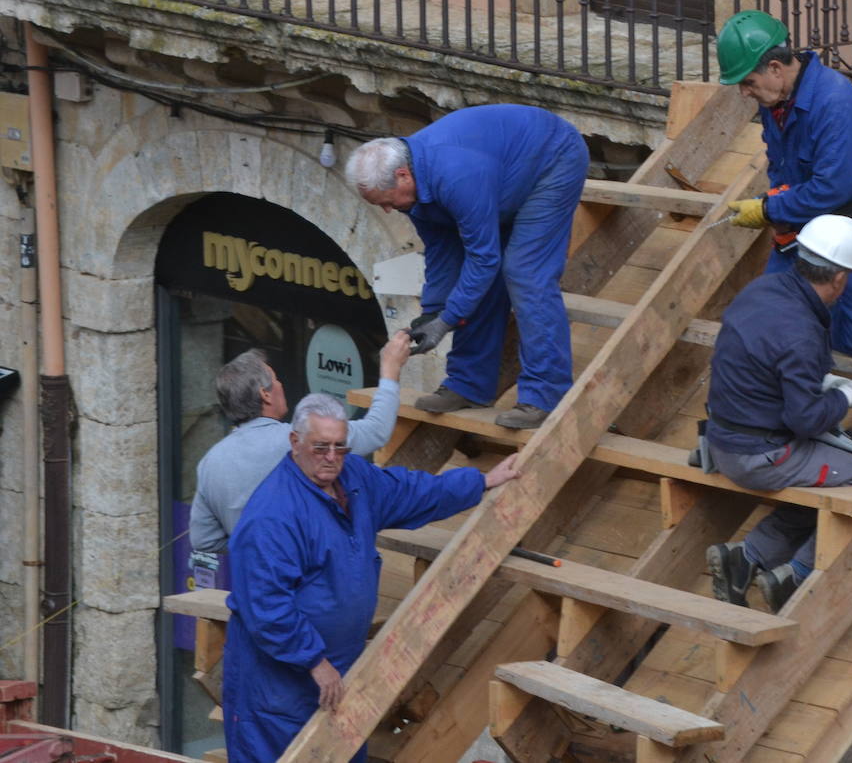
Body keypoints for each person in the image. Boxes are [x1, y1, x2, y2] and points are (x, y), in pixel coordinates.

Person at [221, 394, 520, 763]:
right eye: (321, 447)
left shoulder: (353, 477)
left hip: (339, 671)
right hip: (278, 687)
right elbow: (266, 606)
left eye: (340, 446)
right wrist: (315, 661)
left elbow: (409, 492)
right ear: (295, 443)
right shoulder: (272, 514)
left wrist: (480, 482)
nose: (332, 457)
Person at [346, 105, 590, 429]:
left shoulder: (455, 175)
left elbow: (484, 259)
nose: (389, 211)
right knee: (479, 279)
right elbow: (441, 251)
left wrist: (448, 319)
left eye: (388, 202)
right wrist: (432, 313)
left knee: (525, 272)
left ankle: (545, 396)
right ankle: (468, 384)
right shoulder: (411, 185)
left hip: (552, 160)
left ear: (403, 174)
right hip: (502, 179)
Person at [704, 215, 852, 613]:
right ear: (840, 278)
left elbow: (760, 363)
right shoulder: (801, 331)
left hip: (724, 440)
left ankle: (748, 557)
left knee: (829, 481)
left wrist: (815, 384)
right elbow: (804, 421)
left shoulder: (762, 290)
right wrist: (844, 399)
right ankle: (798, 575)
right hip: (758, 456)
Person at [716, 9, 852, 360]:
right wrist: (781, 216)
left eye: (748, 82)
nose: (744, 93)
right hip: (810, 221)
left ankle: (817, 357)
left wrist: (769, 209)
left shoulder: (835, 102)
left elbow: (831, 190)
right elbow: (783, 166)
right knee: (771, 323)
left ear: (775, 69)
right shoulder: (776, 100)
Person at [188, 330, 412, 554]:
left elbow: (203, 541)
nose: (281, 384)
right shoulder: (298, 441)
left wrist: (255, 547)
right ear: (265, 395)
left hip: (255, 582)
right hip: (313, 578)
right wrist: (390, 370)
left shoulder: (210, 462)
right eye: (276, 380)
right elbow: (376, 431)